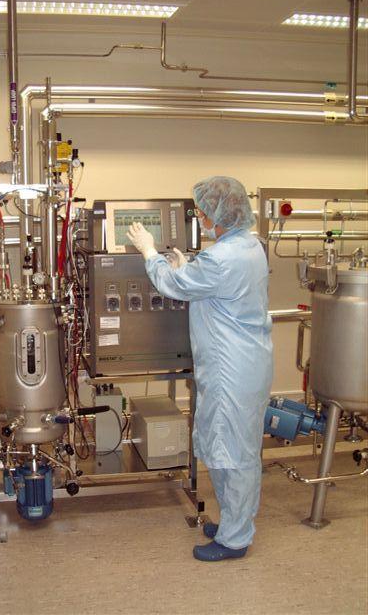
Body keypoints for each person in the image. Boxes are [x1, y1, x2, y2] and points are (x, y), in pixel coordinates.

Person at [127, 176, 273, 562]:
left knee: (233, 454)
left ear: (222, 215)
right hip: (244, 363)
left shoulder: (222, 258)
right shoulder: (248, 246)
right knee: (230, 447)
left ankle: (235, 539)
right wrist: (188, 266)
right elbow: (213, 285)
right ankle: (232, 524)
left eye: (205, 213)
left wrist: (150, 252)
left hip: (231, 370)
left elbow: (172, 285)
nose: (202, 218)